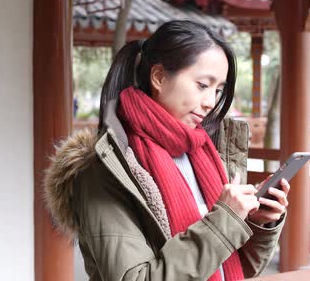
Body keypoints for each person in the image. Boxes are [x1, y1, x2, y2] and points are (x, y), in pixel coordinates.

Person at [44, 20, 290, 281]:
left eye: (218, 90)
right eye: (202, 85)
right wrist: (225, 221)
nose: (211, 102)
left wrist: (258, 223)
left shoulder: (205, 154)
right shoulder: (106, 169)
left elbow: (231, 267)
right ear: (159, 77)